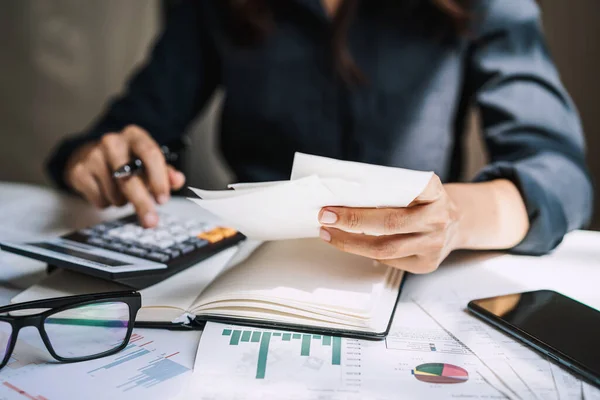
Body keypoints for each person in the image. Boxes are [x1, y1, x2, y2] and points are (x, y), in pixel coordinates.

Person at [46, 0, 593, 274]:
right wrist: (105, 161)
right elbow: (124, 135)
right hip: (248, 274)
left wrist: (454, 216)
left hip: (416, 275)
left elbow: (557, 171)